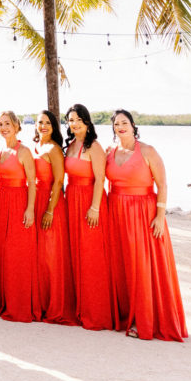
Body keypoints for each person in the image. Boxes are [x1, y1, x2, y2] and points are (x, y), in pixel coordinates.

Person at [106, 109, 187, 341]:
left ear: (133, 125)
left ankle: (143, 320)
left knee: (142, 266)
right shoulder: (110, 151)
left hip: (143, 213)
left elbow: (162, 185)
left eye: (125, 122)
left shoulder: (148, 151)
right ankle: (124, 315)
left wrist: (160, 216)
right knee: (122, 266)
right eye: (116, 123)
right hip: (116, 213)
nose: (120, 126)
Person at [64, 102, 114, 331]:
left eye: (77, 119)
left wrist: (94, 207)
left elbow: (100, 179)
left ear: (86, 122)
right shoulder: (71, 145)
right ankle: (79, 307)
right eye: (70, 120)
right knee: (75, 253)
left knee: (91, 255)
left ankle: (96, 312)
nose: (74, 124)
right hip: (71, 200)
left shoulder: (94, 147)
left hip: (89, 202)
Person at [0, 110, 40, 323]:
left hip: (19, 201)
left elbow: (32, 182)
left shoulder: (24, 151)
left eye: (7, 124)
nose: (4, 128)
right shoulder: (1, 149)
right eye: (0, 124)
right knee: (4, 251)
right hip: (2, 201)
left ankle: (20, 305)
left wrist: (30, 209)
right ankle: (5, 300)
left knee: (18, 252)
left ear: (16, 125)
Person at [33, 110, 76, 325]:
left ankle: (55, 304)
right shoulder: (36, 147)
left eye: (47, 123)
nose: (43, 126)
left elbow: (59, 181)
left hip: (52, 204)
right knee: (39, 257)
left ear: (54, 126)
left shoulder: (54, 149)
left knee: (51, 255)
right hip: (35, 201)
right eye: (40, 122)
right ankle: (40, 302)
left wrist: (50, 210)